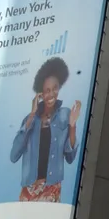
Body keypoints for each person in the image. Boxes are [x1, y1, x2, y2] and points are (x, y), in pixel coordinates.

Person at [10, 57, 82, 202]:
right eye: (47, 90)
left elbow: (70, 157)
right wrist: (31, 115)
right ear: (40, 93)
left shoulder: (65, 115)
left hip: (51, 189)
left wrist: (72, 126)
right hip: (29, 191)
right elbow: (14, 156)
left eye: (55, 88)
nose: (51, 94)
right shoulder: (29, 120)